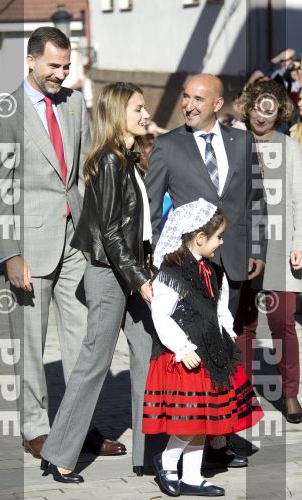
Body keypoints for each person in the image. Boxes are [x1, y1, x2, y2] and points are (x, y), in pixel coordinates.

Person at [0, 27, 125, 459]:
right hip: (29, 248)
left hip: (77, 244)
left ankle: (82, 427)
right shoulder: (5, 112)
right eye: (53, 66)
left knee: (87, 341)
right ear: (30, 60)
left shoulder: (76, 103)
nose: (61, 74)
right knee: (30, 342)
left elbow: (84, 171)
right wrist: (10, 253)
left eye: (66, 66)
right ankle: (34, 427)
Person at [146, 73, 267, 466]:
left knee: (227, 351)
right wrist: (150, 264)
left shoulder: (243, 140)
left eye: (199, 98)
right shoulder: (166, 146)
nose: (189, 105)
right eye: (185, 97)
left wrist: (257, 247)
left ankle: (222, 435)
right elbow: (149, 210)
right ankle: (189, 437)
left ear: (218, 105)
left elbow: (255, 200)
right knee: (194, 352)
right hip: (188, 270)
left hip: (233, 260)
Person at [40, 82, 154, 482]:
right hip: (110, 274)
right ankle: (60, 454)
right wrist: (140, 280)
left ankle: (147, 452)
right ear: (117, 113)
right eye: (137, 108)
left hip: (131, 271)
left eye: (144, 107)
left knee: (146, 350)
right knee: (94, 362)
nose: (145, 114)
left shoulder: (129, 157)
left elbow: (136, 227)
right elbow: (109, 232)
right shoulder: (109, 161)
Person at [143, 199, 264, 497]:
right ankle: (168, 461)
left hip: (211, 352)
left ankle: (193, 476)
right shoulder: (172, 272)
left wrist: (228, 332)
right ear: (199, 238)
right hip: (185, 358)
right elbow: (161, 315)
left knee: (204, 419)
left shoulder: (212, 271)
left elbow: (219, 307)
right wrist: (183, 348)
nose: (221, 242)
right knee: (189, 420)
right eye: (218, 237)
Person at [235, 79, 302, 423]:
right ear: (248, 107)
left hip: (278, 243)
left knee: (282, 321)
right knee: (243, 323)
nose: (262, 116)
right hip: (242, 243)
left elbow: (298, 198)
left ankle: (290, 393)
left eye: (270, 110)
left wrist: (298, 243)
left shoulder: (289, 147)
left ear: (280, 112)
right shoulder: (232, 139)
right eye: (257, 108)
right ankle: (242, 394)